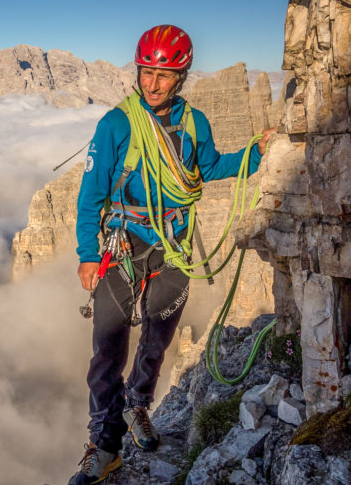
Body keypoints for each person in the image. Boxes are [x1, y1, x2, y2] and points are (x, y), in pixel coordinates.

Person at [68, 24, 274, 485]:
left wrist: (255, 154)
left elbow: (209, 166)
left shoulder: (193, 122)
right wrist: (86, 253)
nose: (151, 83)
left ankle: (138, 406)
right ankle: (104, 445)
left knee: (157, 341)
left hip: (173, 246)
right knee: (107, 348)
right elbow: (91, 195)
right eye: (145, 72)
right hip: (123, 246)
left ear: (179, 77)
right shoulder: (116, 124)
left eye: (162, 75)